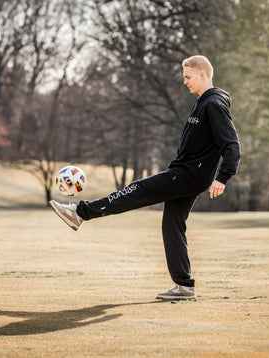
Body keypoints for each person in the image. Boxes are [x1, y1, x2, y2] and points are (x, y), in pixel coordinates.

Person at [49, 55, 240, 300]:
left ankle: (80, 213)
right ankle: (184, 286)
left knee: (137, 190)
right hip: (189, 173)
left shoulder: (213, 104)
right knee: (172, 224)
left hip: (188, 175)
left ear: (203, 75)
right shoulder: (203, 102)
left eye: (188, 77)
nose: (185, 82)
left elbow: (232, 144)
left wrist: (223, 177)